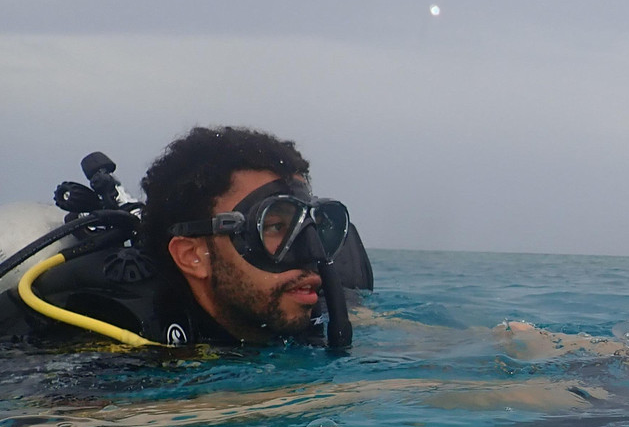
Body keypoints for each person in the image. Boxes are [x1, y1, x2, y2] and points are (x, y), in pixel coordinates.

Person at [0, 127, 373, 348]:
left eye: (313, 225)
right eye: (274, 226)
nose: (309, 253)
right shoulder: (102, 326)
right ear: (193, 255)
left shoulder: (293, 303)